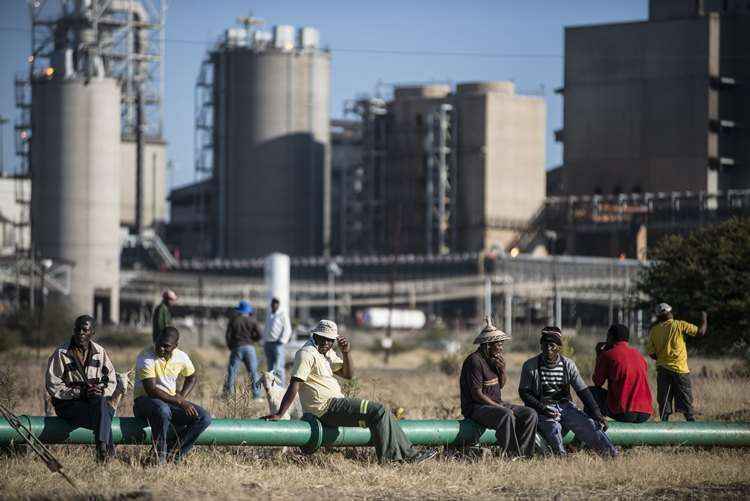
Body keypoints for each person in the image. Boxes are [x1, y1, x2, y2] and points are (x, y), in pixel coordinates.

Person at [263, 319, 437, 464]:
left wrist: (346, 353)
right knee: (379, 411)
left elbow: (348, 375)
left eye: (329, 340)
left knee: (383, 414)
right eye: (322, 338)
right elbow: (295, 384)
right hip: (327, 407)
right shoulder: (306, 354)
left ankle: (406, 455)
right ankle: (394, 459)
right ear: (314, 335)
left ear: (334, 341)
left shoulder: (327, 353)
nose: (325, 342)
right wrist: (280, 413)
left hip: (336, 404)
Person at [519, 326, 618, 457]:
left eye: (552, 345)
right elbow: (524, 393)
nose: (548, 349)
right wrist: (542, 409)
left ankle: (611, 455)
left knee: (589, 424)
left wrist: (597, 414)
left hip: (565, 406)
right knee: (554, 428)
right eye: (544, 345)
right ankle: (561, 457)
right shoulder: (530, 366)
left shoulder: (568, 365)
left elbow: (582, 391)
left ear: (559, 347)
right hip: (543, 407)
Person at [459, 318, 538, 458]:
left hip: (495, 404)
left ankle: (525, 454)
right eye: (499, 345)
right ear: (488, 345)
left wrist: (502, 370)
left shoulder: (493, 359)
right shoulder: (474, 361)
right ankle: (512, 455)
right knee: (506, 415)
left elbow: (500, 385)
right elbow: (477, 394)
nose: (501, 348)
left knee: (530, 414)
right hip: (476, 407)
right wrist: (500, 407)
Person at [133, 327, 211, 464]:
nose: (161, 348)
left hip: (169, 402)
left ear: (175, 346)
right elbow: (151, 390)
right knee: (162, 409)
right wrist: (180, 402)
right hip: (144, 401)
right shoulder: (146, 356)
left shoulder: (181, 356)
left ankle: (173, 454)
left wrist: (181, 395)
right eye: (159, 344)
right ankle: (158, 458)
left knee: (203, 417)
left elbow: (192, 377)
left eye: (166, 346)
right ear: (155, 340)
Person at [45, 315, 117, 462]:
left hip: (93, 402)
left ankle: (102, 450)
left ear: (92, 333)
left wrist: (101, 390)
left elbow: (111, 379)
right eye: (78, 330)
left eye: (85, 330)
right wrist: (78, 392)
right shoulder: (61, 353)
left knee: (100, 402)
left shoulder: (100, 352)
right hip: (67, 405)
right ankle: (105, 450)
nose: (81, 333)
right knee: (106, 412)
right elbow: (53, 385)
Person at [646, 303, 708, 422]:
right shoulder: (680, 325)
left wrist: (663, 358)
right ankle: (692, 430)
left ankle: (664, 432)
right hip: (680, 370)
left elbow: (652, 353)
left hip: (663, 370)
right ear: (670, 313)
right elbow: (701, 332)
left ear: (659, 316)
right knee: (686, 403)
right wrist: (704, 317)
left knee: (664, 405)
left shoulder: (654, 331)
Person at [588, 324, 653, 423]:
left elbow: (597, 382)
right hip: (646, 413)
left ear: (611, 337)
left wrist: (599, 355)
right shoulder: (638, 355)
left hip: (625, 413)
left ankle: (591, 430)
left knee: (591, 392)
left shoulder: (608, 355)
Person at [223, 300, 263, 399]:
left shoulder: (233, 320)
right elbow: (260, 335)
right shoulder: (252, 320)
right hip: (250, 348)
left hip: (236, 347)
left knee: (232, 371)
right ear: (248, 311)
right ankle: (257, 395)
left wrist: (231, 346)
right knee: (253, 372)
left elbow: (228, 336)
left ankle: (229, 394)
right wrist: (252, 340)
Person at [262, 297, 292, 382]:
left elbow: (287, 329)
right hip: (268, 343)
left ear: (278, 304)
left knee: (278, 368)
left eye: (276, 303)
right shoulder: (270, 315)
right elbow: (266, 329)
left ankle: (280, 388)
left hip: (277, 344)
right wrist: (264, 340)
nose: (274, 305)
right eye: (273, 303)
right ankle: (272, 388)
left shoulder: (282, 314)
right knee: (270, 368)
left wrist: (282, 340)